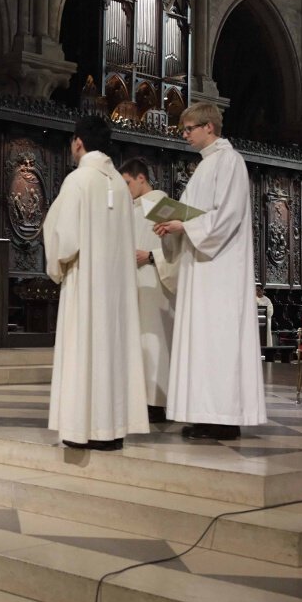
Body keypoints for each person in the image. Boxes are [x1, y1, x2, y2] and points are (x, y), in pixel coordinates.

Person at [154, 103, 267, 441]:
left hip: (220, 272)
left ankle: (224, 418)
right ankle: (204, 414)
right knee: (200, 342)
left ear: (209, 127)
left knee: (218, 341)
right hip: (199, 269)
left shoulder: (230, 161)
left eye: (189, 128)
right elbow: (194, 214)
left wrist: (184, 225)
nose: (184, 134)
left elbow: (226, 216)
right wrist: (173, 224)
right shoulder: (204, 167)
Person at [42, 116, 149, 450]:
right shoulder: (118, 182)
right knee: (111, 351)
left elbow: (66, 239)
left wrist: (56, 264)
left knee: (85, 350)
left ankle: (84, 430)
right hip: (116, 289)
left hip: (86, 283)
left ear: (78, 142)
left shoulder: (78, 180)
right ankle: (112, 429)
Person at [120, 158, 179, 424]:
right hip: (135, 284)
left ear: (141, 178)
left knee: (156, 343)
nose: (126, 189)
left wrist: (152, 256)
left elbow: (179, 244)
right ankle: (139, 399)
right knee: (138, 343)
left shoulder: (162, 203)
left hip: (157, 284)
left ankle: (157, 402)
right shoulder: (130, 209)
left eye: (128, 183)